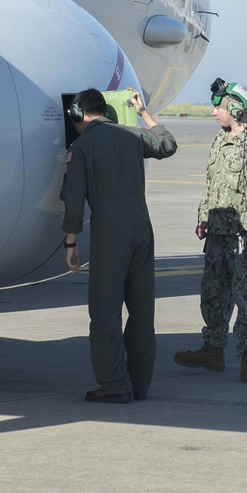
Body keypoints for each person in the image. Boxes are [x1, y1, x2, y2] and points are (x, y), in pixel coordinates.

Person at [61, 87, 178, 403]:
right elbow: (167, 144)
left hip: (111, 230)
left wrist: (71, 243)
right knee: (141, 309)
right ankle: (139, 382)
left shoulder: (81, 147)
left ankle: (114, 382)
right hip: (142, 226)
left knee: (105, 310)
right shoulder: (132, 135)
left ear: (77, 114)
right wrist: (142, 113)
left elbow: (74, 200)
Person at [174, 78, 247, 384]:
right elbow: (212, 183)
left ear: (235, 109)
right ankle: (213, 349)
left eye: (218, 108)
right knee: (213, 292)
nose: (213, 113)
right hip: (218, 236)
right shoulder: (221, 140)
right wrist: (203, 217)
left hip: (244, 240)